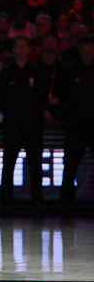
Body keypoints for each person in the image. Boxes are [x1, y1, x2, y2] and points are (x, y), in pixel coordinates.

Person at [0, 38, 47, 213]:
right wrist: (10, 115)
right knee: (8, 164)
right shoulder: (5, 73)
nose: (21, 49)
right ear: (13, 49)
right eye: (18, 46)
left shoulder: (38, 72)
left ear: (29, 49)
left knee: (35, 165)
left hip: (33, 127)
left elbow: (42, 98)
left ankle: (37, 201)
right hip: (12, 126)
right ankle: (5, 200)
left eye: (24, 46)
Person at [59, 34, 94, 212]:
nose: (88, 54)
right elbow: (61, 97)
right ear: (80, 50)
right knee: (70, 166)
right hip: (75, 126)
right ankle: (66, 204)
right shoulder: (69, 70)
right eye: (85, 51)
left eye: (91, 51)